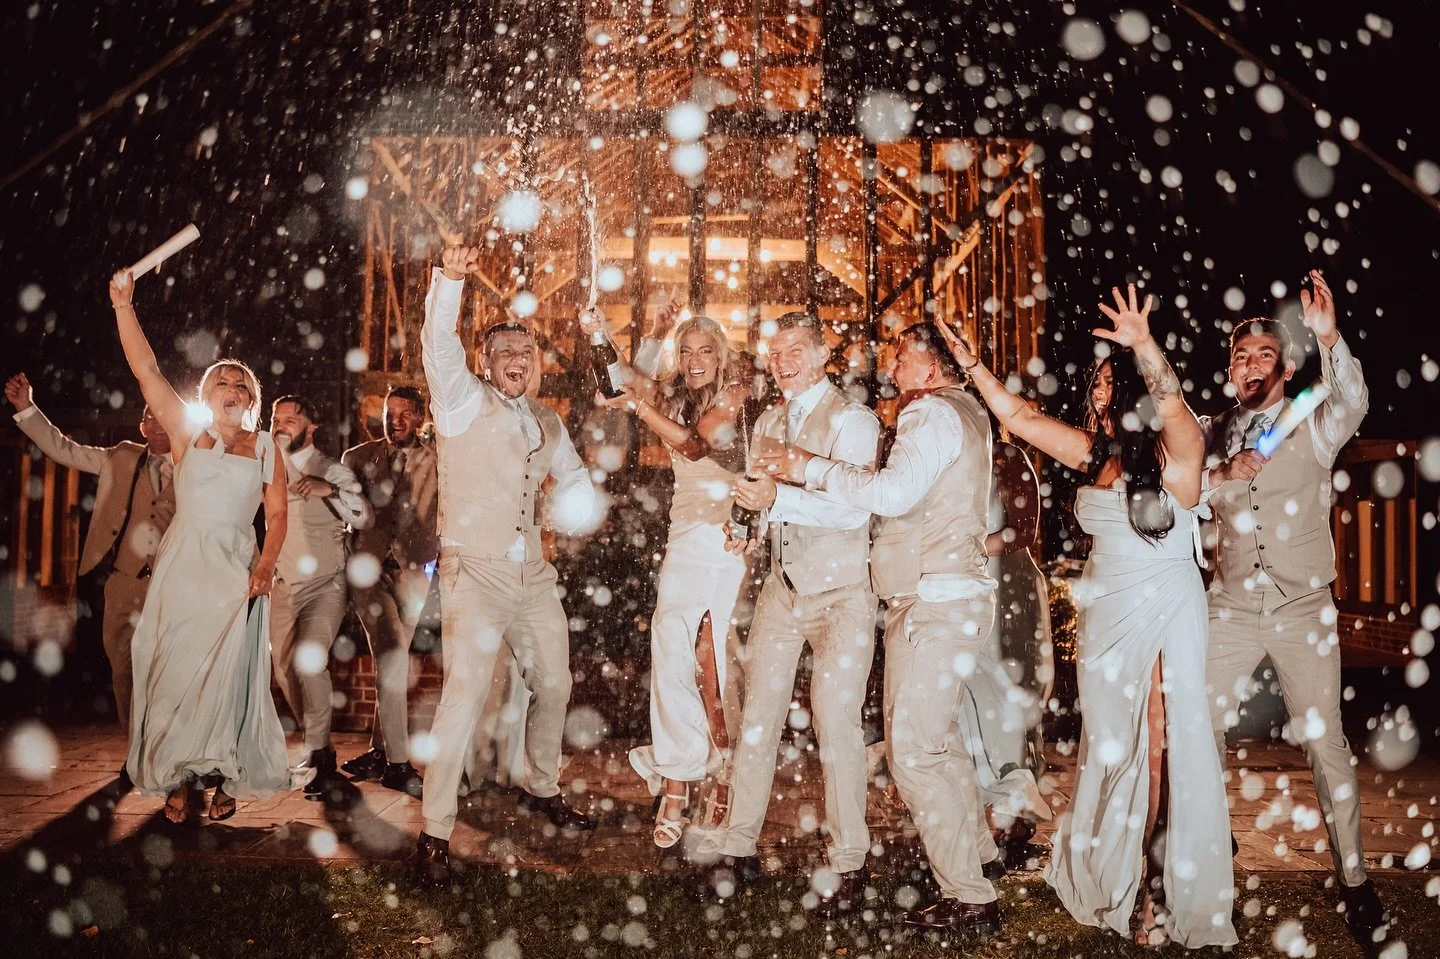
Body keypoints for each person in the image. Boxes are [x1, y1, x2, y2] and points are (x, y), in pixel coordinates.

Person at [937, 285, 1236, 949]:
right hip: (1107, 612)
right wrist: (971, 364)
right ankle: (1114, 866)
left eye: (1108, 381)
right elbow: (1018, 414)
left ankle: (1156, 887)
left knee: (1159, 742)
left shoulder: (1178, 453)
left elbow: (1173, 403)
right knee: (1111, 745)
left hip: (1165, 603)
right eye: (1095, 382)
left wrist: (1144, 346)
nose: (1097, 392)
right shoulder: (1094, 455)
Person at [755, 324, 1005, 935]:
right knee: (940, 741)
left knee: (914, 755)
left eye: (902, 356)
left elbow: (890, 495)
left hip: (932, 602)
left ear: (931, 367)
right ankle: (981, 855)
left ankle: (970, 896)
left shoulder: (929, 413)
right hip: (951, 598)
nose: (891, 366)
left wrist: (809, 467)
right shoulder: (968, 411)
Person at [1200, 270, 1383, 948]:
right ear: (1230, 369)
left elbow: (1354, 398)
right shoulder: (1210, 433)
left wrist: (1329, 336)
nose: (1251, 364)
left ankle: (1355, 881)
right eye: (1241, 356)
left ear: (1285, 368)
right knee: (1195, 724)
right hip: (1230, 604)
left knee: (1325, 742)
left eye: (1265, 355)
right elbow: (1181, 488)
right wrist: (1217, 473)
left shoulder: (1314, 421)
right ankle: (1211, 843)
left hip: (1303, 606)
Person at [413, 245, 601, 886]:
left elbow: (573, 478)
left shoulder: (549, 420)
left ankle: (542, 788)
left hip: (533, 576)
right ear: (485, 363)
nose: (517, 359)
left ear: (537, 363)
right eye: (504, 352)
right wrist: (450, 281)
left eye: (526, 352)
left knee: (556, 683)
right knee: (463, 696)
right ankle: (434, 832)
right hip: (474, 571)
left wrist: (577, 507)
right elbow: (438, 345)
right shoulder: (461, 400)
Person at [700, 311, 881, 918]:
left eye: (796, 349)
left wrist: (778, 499)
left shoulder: (854, 422)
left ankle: (850, 863)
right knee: (757, 721)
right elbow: (762, 502)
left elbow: (854, 511)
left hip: (844, 593)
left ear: (824, 355)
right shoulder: (768, 422)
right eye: (776, 352)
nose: (782, 361)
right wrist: (747, 528)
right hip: (783, 588)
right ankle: (738, 849)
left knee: (836, 723)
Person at [108, 268, 289, 824]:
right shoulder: (187, 435)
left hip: (236, 571)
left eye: (242, 385)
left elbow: (278, 514)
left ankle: (226, 776)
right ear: (205, 395)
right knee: (176, 673)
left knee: (228, 679)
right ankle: (179, 777)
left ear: (252, 399)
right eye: (222, 382)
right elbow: (146, 370)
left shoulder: (266, 448)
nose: (232, 389)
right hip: (185, 568)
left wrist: (265, 564)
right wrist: (123, 306)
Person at [580, 303, 752, 849]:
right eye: (687, 351)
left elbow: (695, 444)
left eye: (706, 351)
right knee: (670, 653)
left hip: (727, 539)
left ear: (721, 357)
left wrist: (639, 405)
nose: (695, 360)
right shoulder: (673, 394)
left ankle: (724, 774)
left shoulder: (736, 391)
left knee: (711, 659)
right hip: (684, 538)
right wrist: (599, 334)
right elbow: (618, 379)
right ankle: (677, 778)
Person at [5, 373, 176, 751]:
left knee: (168, 668)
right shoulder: (121, 456)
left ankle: (171, 749)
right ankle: (137, 750)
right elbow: (65, 450)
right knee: (123, 667)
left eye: (166, 416)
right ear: (142, 426)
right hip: (124, 582)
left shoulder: (196, 464)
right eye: (151, 418)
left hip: (174, 585)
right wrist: (27, 409)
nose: (158, 424)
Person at [267, 395, 372, 795]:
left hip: (326, 584)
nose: (281, 425)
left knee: (310, 662)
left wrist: (328, 490)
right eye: (276, 419)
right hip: (282, 585)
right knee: (283, 670)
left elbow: (365, 516)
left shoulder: (331, 469)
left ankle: (318, 754)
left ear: (311, 429)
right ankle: (319, 743)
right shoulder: (267, 467)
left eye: (291, 419)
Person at [957, 437, 1055, 867]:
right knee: (967, 707)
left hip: (1008, 594)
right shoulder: (942, 457)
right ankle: (983, 813)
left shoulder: (1007, 458)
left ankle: (1011, 817)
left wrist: (964, 549)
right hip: (961, 598)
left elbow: (1023, 531)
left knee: (1009, 707)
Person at [341, 385, 438, 796]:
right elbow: (345, 510)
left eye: (404, 413)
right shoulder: (357, 458)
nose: (394, 420)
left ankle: (379, 751)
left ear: (420, 417)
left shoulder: (440, 461)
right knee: (393, 655)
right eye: (388, 412)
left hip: (415, 574)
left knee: (392, 665)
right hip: (369, 572)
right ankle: (398, 764)